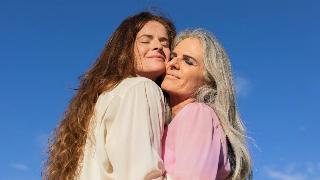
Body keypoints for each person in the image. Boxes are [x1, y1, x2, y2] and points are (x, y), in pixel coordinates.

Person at [43, 12, 176, 180]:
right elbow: (142, 175)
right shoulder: (141, 88)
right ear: (125, 49)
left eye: (164, 42)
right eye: (145, 40)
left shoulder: (104, 97)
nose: (157, 46)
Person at [147, 29, 252, 180]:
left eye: (188, 61)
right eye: (173, 56)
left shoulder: (198, 114)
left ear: (209, 80)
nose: (173, 64)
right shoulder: (170, 123)